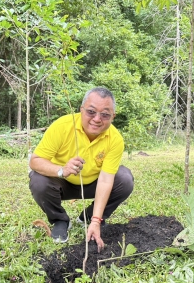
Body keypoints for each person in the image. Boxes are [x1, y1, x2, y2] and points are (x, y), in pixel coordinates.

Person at [29, 87, 134, 251]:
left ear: (113, 117)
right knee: (38, 180)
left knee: (124, 179)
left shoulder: (115, 139)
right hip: (62, 182)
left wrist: (96, 220)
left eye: (105, 114)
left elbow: (106, 180)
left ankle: (87, 218)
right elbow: (35, 161)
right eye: (91, 112)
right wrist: (61, 170)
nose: (97, 119)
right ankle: (60, 220)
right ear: (81, 110)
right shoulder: (62, 126)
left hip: (93, 184)